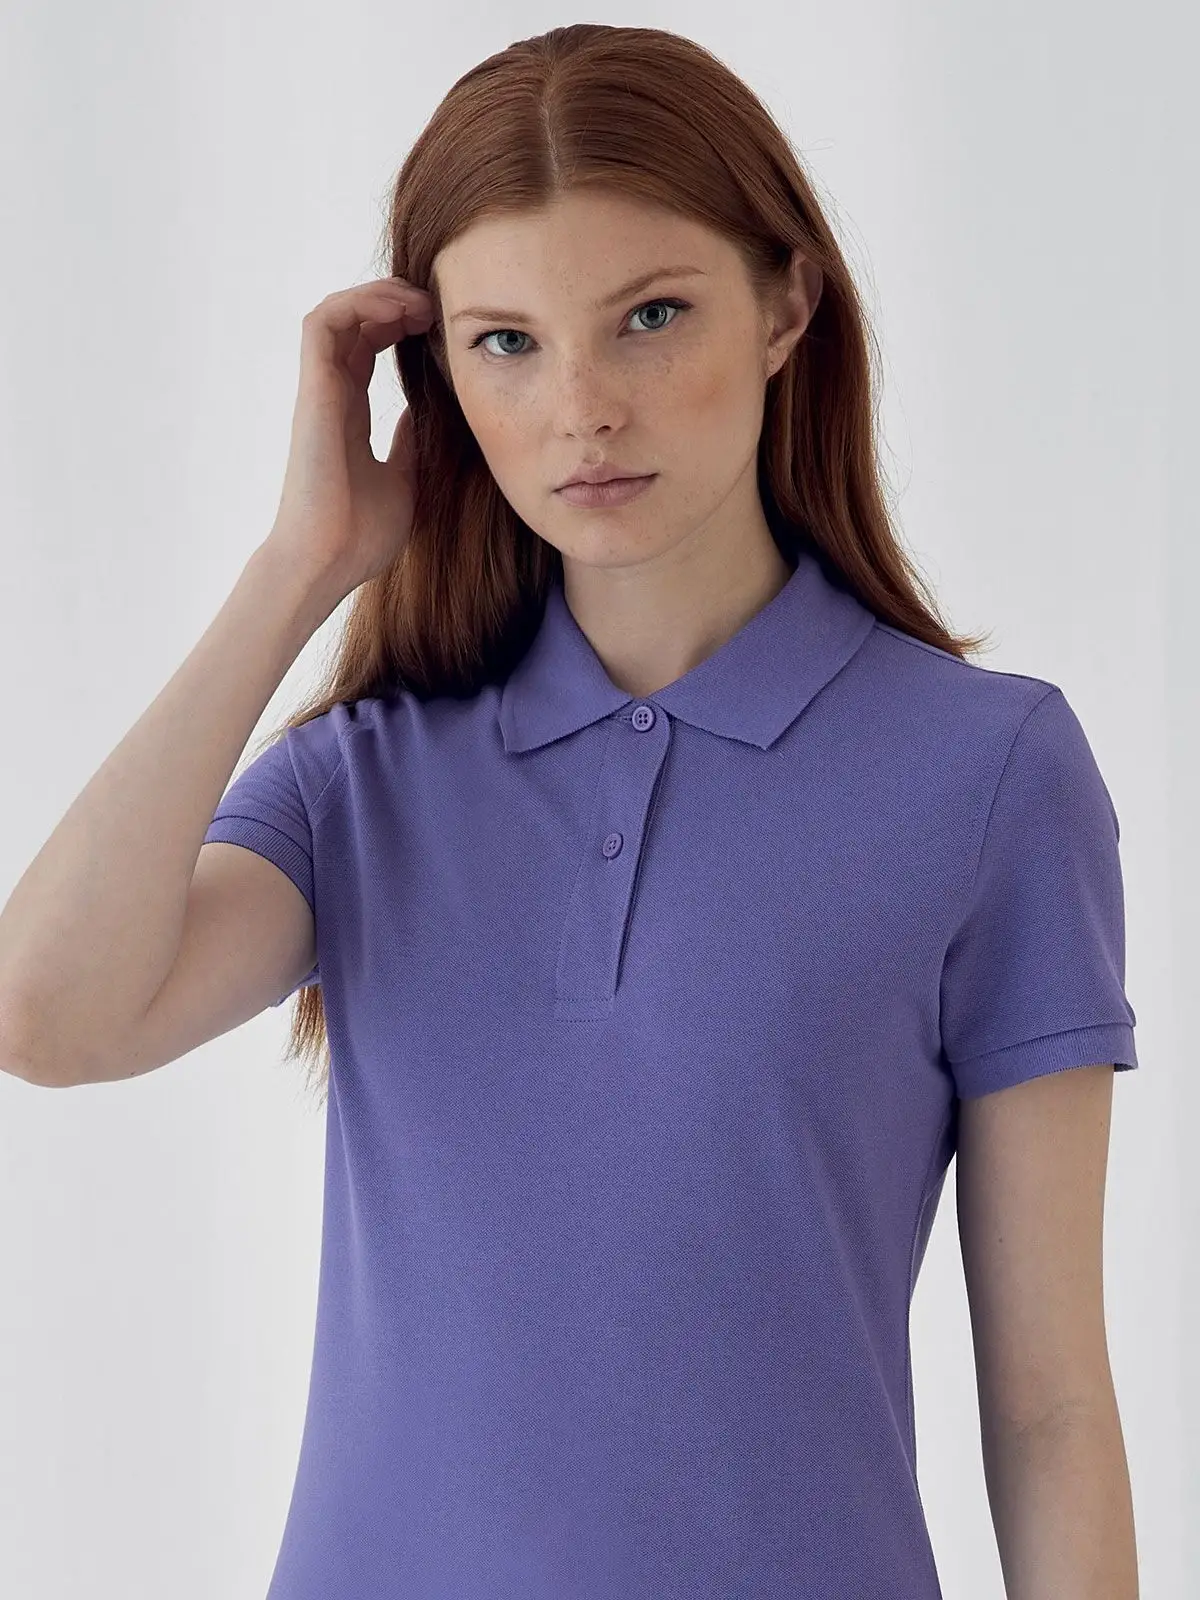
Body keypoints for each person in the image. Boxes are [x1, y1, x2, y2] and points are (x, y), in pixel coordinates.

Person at [0, 22, 1140, 1599]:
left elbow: (1051, 1407)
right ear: (438, 377)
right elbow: (48, 1019)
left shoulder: (987, 773)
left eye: (650, 316)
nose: (581, 407)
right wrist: (298, 569)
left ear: (786, 308)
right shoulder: (364, 777)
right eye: (506, 342)